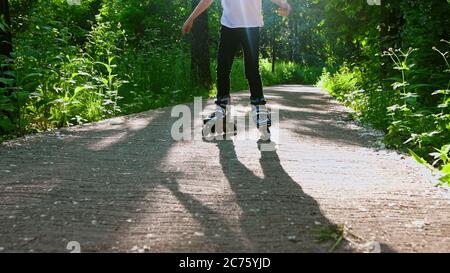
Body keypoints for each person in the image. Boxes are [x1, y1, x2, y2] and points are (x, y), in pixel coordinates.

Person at [182, 0, 291, 139]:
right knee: (222, 68)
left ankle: (259, 109)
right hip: (229, 26)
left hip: (251, 26)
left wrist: (283, 3)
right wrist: (192, 17)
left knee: (252, 69)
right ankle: (222, 111)